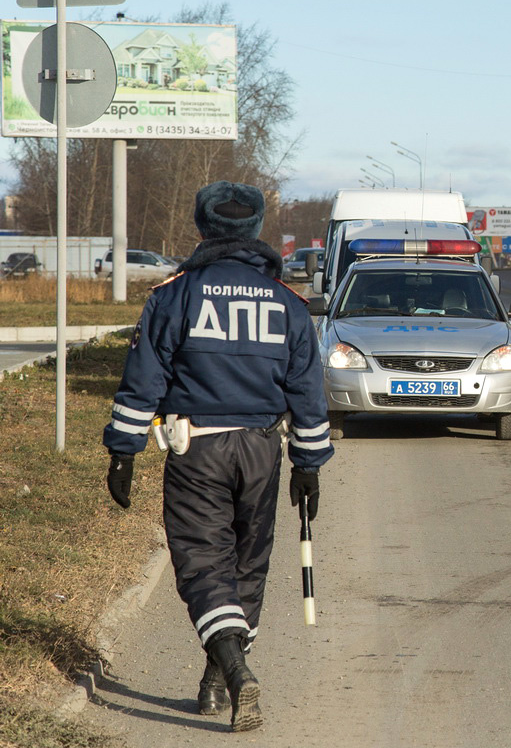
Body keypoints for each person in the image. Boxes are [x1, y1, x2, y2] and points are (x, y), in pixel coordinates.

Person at [102, 180, 334, 732]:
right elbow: (308, 391)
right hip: (261, 450)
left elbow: (144, 380)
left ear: (202, 228)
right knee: (247, 564)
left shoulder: (174, 294)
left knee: (202, 561)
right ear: (255, 231)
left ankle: (231, 668)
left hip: (198, 448)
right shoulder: (289, 304)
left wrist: (123, 451)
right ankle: (215, 679)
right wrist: (308, 463)